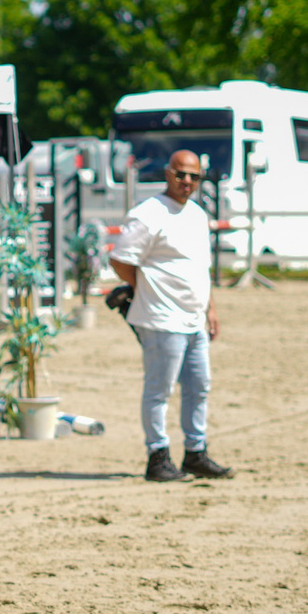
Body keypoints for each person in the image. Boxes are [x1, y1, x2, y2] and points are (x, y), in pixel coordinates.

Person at [106, 149, 231, 483]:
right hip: (161, 318)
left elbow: (200, 269)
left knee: (199, 386)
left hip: (193, 319)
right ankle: (158, 455)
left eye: (194, 176)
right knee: (160, 390)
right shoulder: (148, 214)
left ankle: (195, 452)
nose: (187, 181)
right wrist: (145, 286)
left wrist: (211, 309)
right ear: (167, 173)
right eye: (180, 174)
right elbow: (120, 259)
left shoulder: (197, 215)